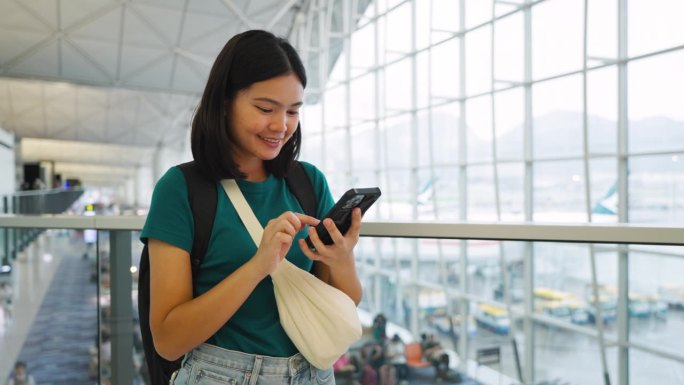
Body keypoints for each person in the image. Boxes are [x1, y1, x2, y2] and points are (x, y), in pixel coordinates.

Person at [141, 29, 363, 385]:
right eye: (265, 109)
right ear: (225, 102)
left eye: (293, 111)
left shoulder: (308, 183)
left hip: (310, 374)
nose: (281, 125)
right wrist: (259, 265)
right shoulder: (181, 189)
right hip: (220, 375)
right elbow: (168, 340)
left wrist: (342, 259)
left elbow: (343, 305)